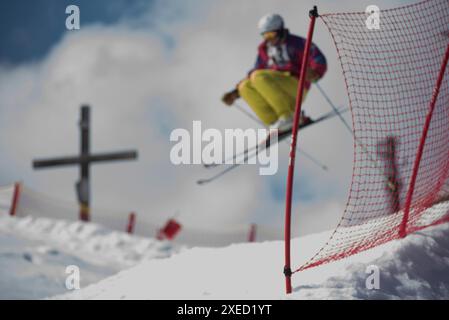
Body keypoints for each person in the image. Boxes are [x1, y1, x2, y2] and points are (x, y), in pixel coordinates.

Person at [222, 13, 327, 132]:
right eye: (265, 35)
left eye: (271, 34)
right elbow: (255, 70)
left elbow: (317, 58)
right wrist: (235, 93)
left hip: (296, 85)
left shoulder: (296, 43)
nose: (269, 39)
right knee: (245, 86)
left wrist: (315, 72)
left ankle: (287, 117)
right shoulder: (265, 50)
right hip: (275, 90)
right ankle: (276, 122)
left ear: (280, 30)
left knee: (258, 76)